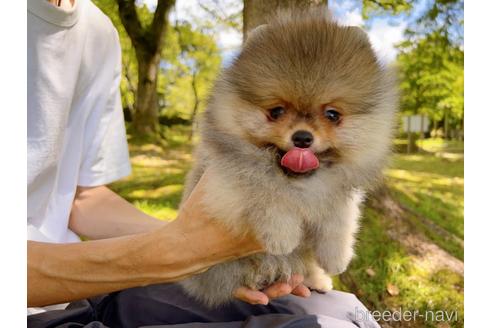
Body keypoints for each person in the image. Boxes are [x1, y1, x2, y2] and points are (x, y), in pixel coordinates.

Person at [27, 0, 379, 327]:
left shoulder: (97, 33)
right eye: (276, 112)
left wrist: (202, 248)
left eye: (331, 115)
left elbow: (79, 198)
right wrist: (174, 253)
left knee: (348, 313)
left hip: (79, 290)